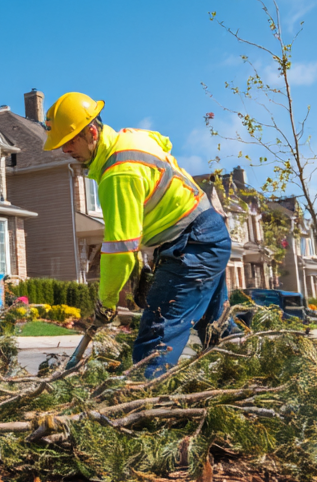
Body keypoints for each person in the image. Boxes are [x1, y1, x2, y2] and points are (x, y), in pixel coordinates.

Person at [43, 92, 234, 377]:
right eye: (61, 144)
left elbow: (119, 249)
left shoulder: (118, 174)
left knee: (155, 341)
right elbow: (163, 142)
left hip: (192, 245)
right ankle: (244, 370)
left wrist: (106, 302)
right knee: (215, 328)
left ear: (92, 133)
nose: (65, 150)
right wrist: (138, 266)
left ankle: (144, 411)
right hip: (204, 234)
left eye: (70, 141)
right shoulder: (131, 138)